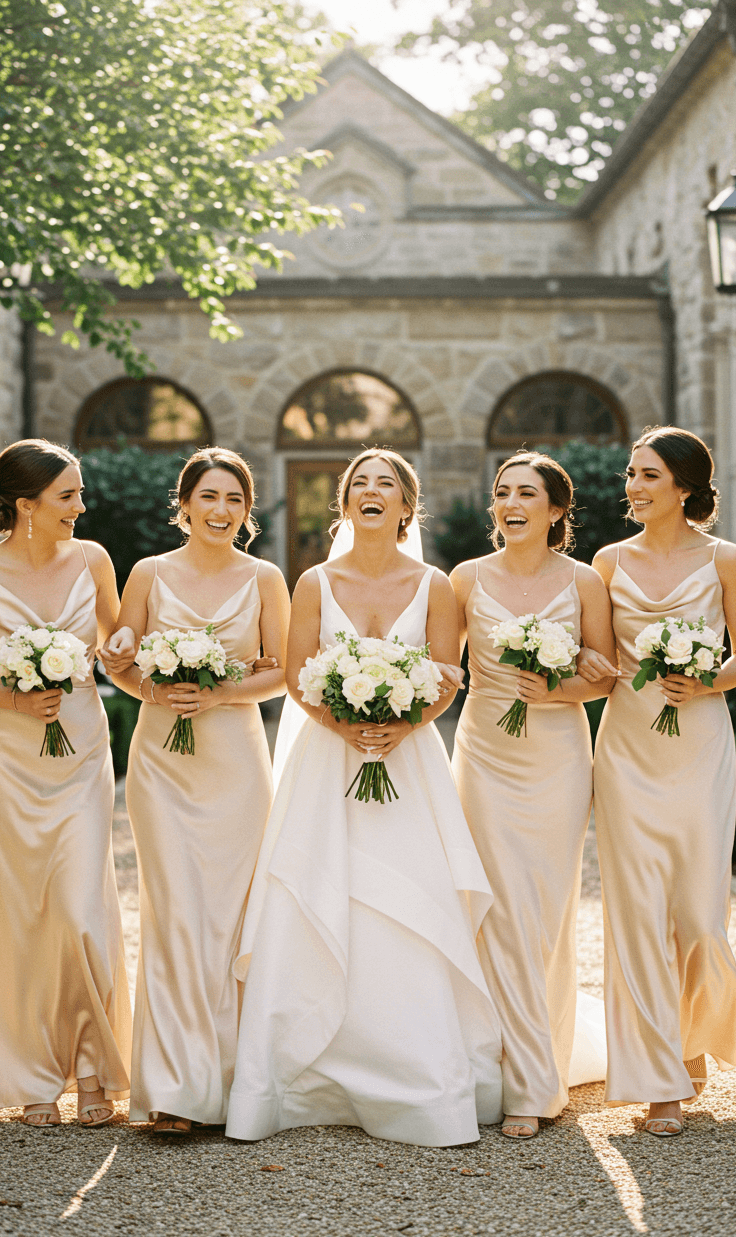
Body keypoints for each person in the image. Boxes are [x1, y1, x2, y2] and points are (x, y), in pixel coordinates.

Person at [226, 449, 504, 1148]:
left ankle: (417, 1075)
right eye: (360, 484)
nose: (372, 491)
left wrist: (399, 726)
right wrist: (344, 725)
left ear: (407, 507)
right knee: (319, 892)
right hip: (329, 760)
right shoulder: (314, 581)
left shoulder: (435, 583)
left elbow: (448, 674)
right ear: (344, 505)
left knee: (411, 902)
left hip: (407, 763)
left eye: (386, 484)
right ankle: (303, 1077)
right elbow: (294, 675)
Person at [0, 439, 131, 1128]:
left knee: (80, 912)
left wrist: (133, 653)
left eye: (78, 494)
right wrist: (14, 699)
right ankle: (34, 1077)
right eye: (69, 496)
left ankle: (93, 1067)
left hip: (80, 748)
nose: (82, 506)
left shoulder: (95, 560)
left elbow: (115, 641)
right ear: (27, 506)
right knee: (23, 918)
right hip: (7, 759)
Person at [101, 448, 290, 1134]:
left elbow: (282, 671)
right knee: (175, 908)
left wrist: (218, 692)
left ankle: (236, 1082)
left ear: (247, 512)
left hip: (236, 759)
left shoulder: (266, 576)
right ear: (183, 506)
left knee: (231, 915)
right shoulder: (149, 573)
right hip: (161, 759)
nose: (220, 511)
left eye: (234, 500)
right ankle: (175, 1089)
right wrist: (153, 686)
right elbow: (121, 662)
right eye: (208, 497)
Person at [578, 426, 736, 1137]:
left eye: (649, 474)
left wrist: (706, 677)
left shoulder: (725, 559)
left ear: (684, 486)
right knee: (638, 914)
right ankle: (659, 1083)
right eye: (631, 473)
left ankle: (691, 1038)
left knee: (700, 917)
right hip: (626, 748)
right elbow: (598, 660)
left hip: (700, 745)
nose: (634, 485)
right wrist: (584, 669)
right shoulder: (607, 562)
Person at [450, 451, 615, 1140]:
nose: (510, 502)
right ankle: (514, 1076)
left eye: (526, 493)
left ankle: (537, 1060)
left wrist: (559, 686)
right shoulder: (464, 578)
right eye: (501, 492)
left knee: (545, 910)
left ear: (555, 511)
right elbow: (437, 667)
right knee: (498, 908)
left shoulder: (584, 580)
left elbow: (603, 676)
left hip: (556, 755)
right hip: (485, 751)